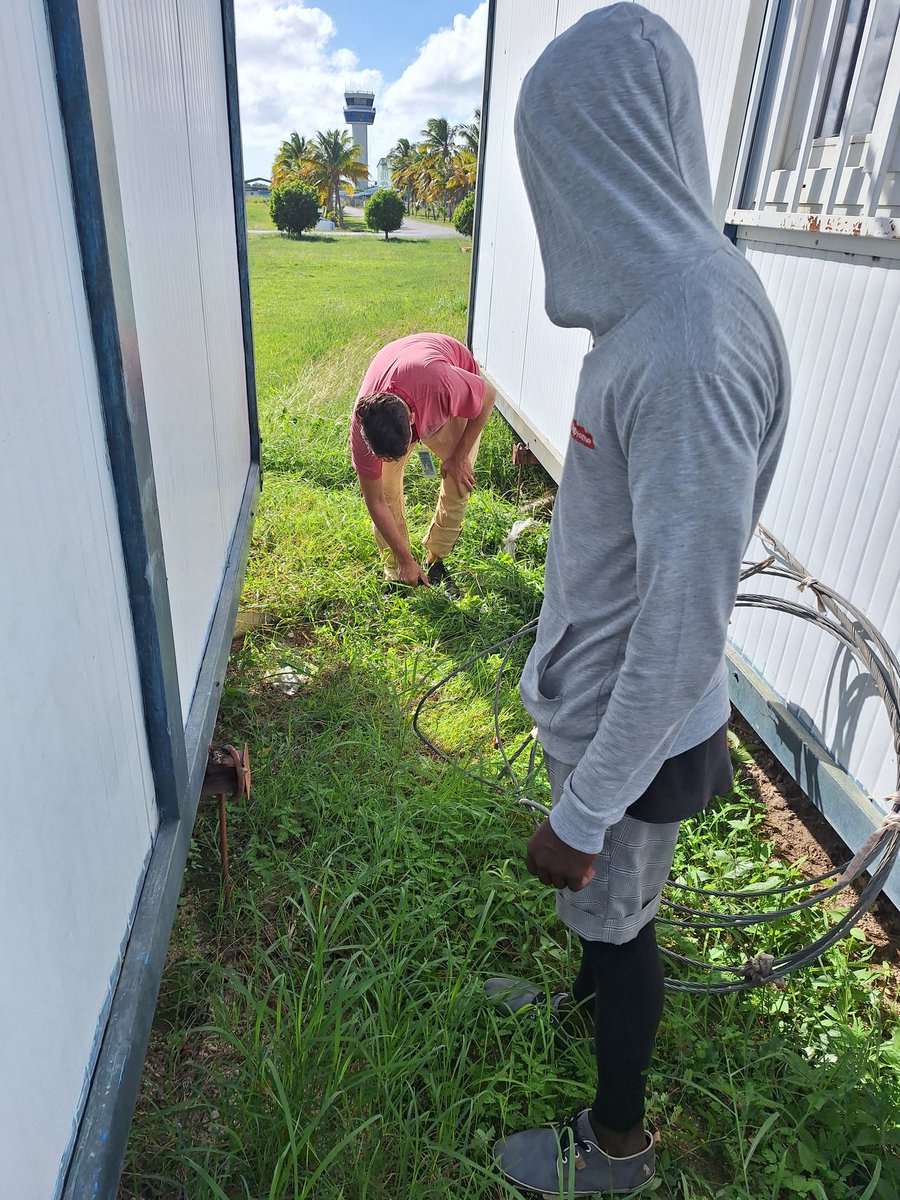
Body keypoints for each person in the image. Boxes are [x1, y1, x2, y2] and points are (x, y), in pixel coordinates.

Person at [487, 6, 790, 1196]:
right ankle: (578, 997)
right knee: (607, 925)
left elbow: (679, 626)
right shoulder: (653, 316)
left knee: (626, 927)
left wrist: (583, 810)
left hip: (638, 731)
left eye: (561, 162)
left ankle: (614, 1149)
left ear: (612, 151)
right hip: (602, 711)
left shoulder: (692, 339)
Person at [350, 332, 496, 594]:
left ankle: (436, 561)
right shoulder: (363, 431)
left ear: (412, 421)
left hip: (443, 388)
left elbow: (487, 396)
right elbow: (375, 502)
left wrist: (459, 456)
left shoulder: (441, 385)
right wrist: (405, 558)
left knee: (459, 480)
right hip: (404, 374)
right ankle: (398, 571)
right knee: (384, 490)